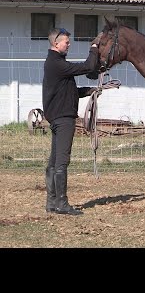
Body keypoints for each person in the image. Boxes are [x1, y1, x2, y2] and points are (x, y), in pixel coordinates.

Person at [42, 27, 100, 215]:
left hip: (58, 117)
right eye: (66, 42)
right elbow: (88, 67)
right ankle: (62, 204)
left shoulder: (55, 63)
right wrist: (94, 48)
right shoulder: (57, 63)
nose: (69, 44)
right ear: (55, 43)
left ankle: (52, 203)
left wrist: (90, 91)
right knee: (62, 162)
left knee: (54, 162)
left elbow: (68, 91)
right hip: (63, 119)